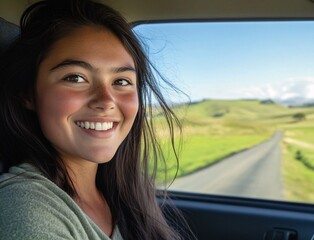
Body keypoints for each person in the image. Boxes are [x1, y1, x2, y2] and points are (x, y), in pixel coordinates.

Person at [0, 0, 190, 239]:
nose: (106, 100)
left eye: (121, 81)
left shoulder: (121, 193)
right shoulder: (26, 211)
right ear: (27, 94)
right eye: (76, 78)